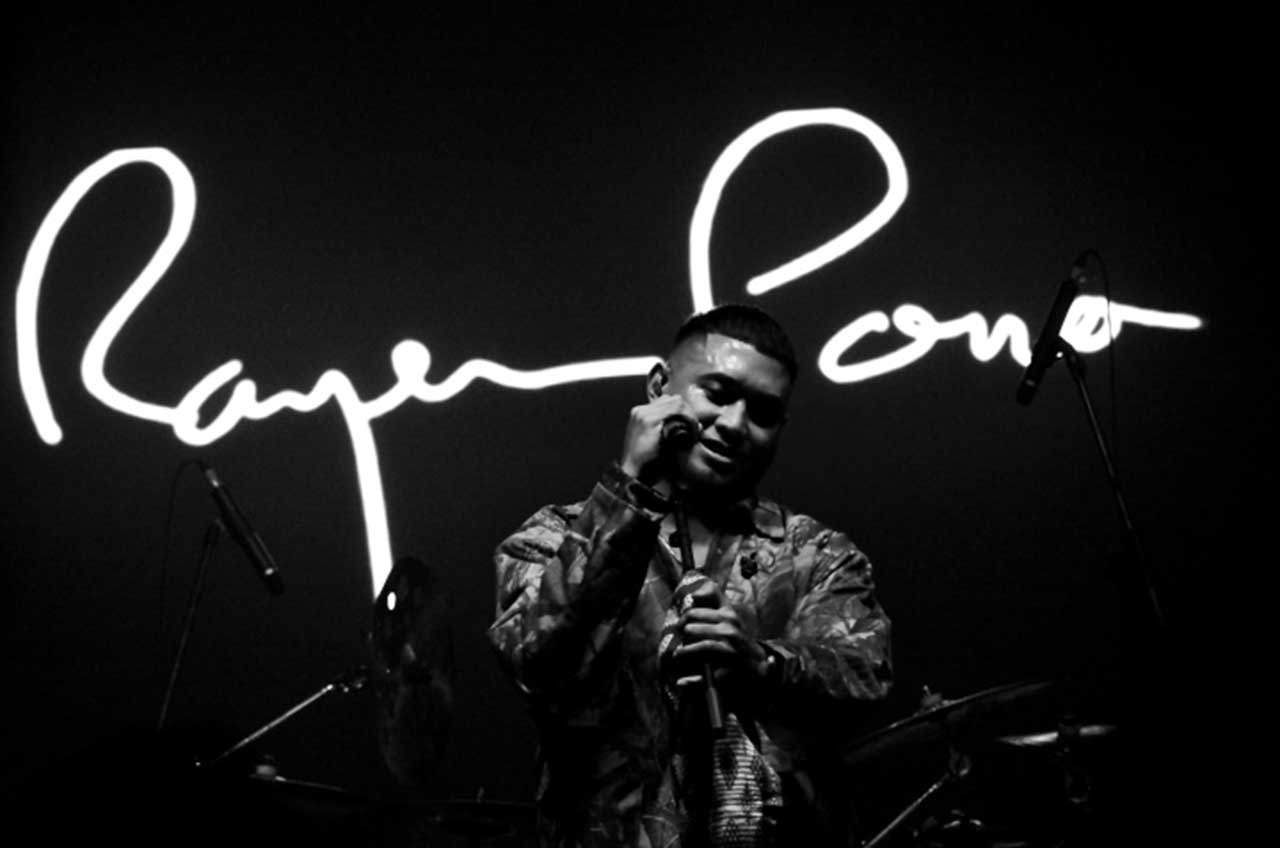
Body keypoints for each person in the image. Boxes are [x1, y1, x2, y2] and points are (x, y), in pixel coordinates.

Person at [488, 303, 892, 846]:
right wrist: (630, 487)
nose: (735, 425)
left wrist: (758, 662)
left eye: (763, 413)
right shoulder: (553, 537)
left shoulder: (818, 555)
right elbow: (536, 665)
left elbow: (865, 680)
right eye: (717, 394)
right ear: (660, 387)